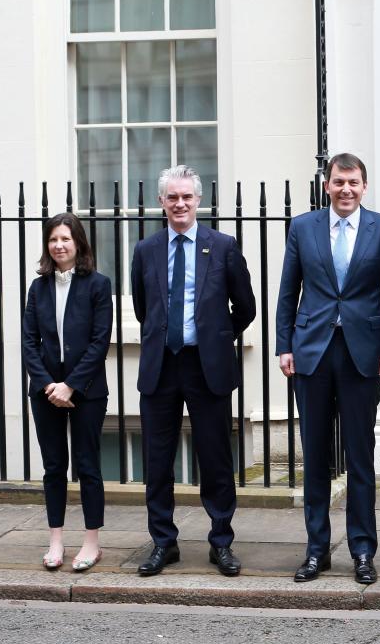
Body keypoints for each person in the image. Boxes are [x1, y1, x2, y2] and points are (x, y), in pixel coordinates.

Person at [276, 152, 380, 584]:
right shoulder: (303, 227)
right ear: (327, 185)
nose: (346, 190)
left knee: (360, 456)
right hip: (311, 351)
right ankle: (316, 551)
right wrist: (283, 346)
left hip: (362, 355)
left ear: (364, 186)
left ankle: (363, 550)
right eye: (338, 182)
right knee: (314, 456)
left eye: (353, 183)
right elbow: (287, 291)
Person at [131, 165, 256, 577]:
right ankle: (163, 543)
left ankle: (221, 541)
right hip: (161, 367)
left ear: (198, 200)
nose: (180, 203)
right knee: (158, 461)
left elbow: (246, 307)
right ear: (161, 202)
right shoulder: (145, 250)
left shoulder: (222, 246)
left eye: (187, 197)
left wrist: (218, 336)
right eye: (172, 197)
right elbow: (142, 307)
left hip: (207, 366)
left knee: (216, 457)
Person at [22, 212, 112, 572]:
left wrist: (71, 384)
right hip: (45, 391)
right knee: (54, 466)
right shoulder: (38, 287)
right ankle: (56, 540)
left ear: (79, 244)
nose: (59, 245)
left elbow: (99, 340)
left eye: (65, 239)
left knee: (88, 465)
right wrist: (48, 385)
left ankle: (92, 542)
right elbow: (29, 342)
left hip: (86, 390)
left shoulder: (98, 285)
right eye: (53, 239)